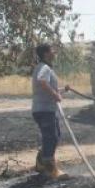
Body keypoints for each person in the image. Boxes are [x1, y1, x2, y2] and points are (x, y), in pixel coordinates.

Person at [31, 43, 72, 179]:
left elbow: (45, 86)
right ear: (46, 53)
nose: (54, 52)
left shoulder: (43, 67)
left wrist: (62, 91)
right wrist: (55, 95)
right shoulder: (44, 68)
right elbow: (42, 81)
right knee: (51, 137)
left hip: (45, 109)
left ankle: (41, 162)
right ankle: (50, 169)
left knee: (55, 135)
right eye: (52, 50)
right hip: (44, 110)